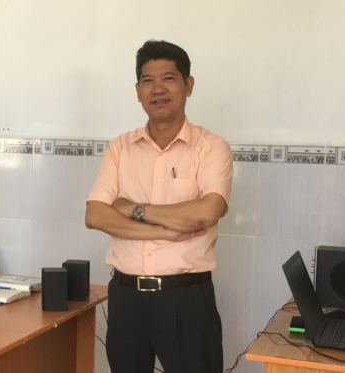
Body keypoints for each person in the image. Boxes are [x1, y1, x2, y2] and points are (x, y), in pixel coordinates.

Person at [84, 40, 234, 373]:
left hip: (186, 299)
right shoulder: (120, 148)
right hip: (126, 297)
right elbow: (95, 215)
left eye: (168, 78)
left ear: (188, 85)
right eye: (148, 81)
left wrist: (133, 208)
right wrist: (166, 230)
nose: (158, 89)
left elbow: (206, 212)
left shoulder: (212, 148)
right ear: (138, 91)